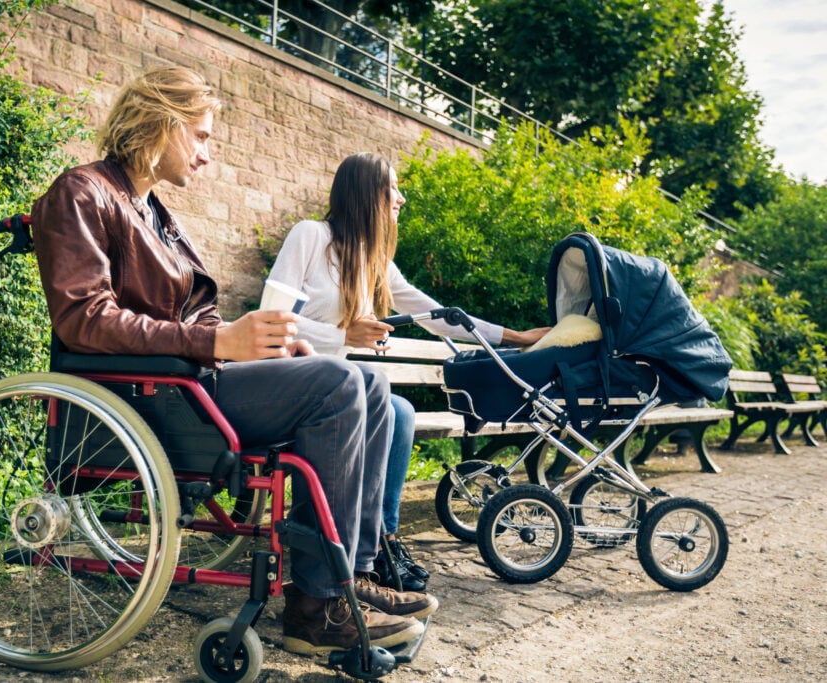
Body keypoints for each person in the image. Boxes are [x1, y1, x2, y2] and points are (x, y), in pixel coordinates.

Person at [30, 67, 437, 656]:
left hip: (186, 381)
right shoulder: (82, 192)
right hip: (151, 394)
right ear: (163, 126)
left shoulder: (156, 214)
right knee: (342, 383)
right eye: (200, 136)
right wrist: (215, 344)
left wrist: (267, 343)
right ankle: (316, 605)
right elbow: (83, 320)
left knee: (370, 382)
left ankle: (353, 575)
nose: (206, 155)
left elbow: (195, 319)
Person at [268, 152, 550, 590]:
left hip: (337, 390)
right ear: (367, 195)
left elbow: (436, 314)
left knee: (399, 411)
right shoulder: (310, 236)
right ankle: (366, 546)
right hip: (291, 382)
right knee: (393, 408)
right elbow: (272, 316)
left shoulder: (372, 260)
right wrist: (342, 335)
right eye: (392, 189)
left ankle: (382, 541)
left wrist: (515, 337)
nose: (400, 198)